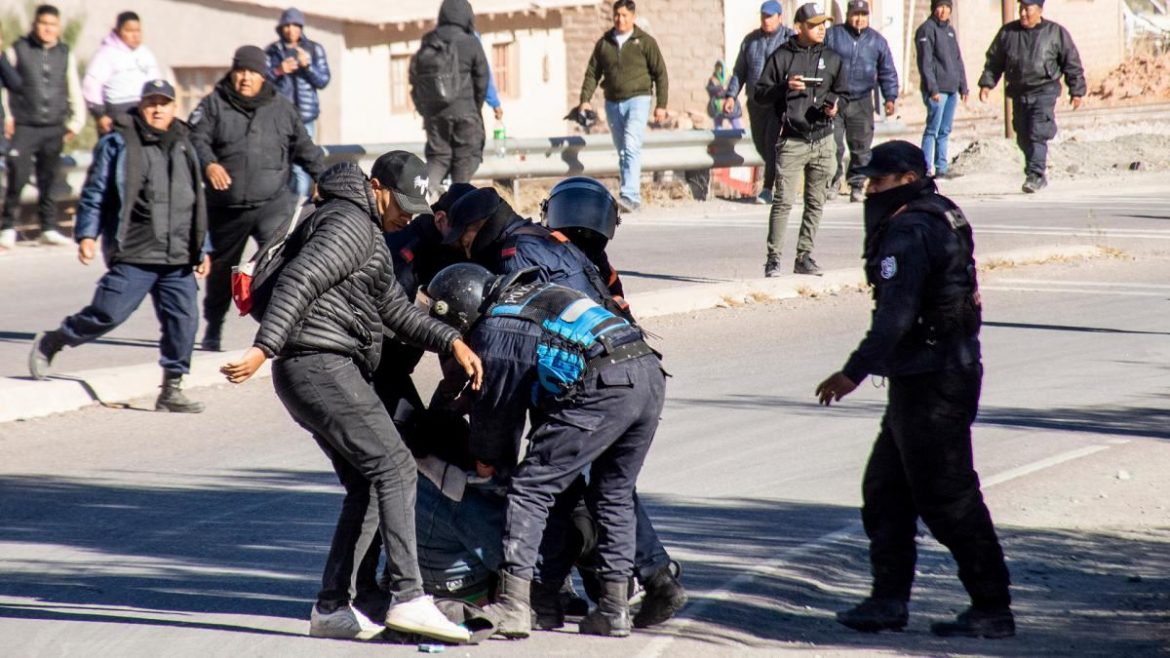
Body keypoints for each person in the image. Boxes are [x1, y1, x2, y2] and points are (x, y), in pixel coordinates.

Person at [220, 161, 483, 644]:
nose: (409, 216)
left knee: (368, 483)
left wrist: (451, 341)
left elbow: (396, 310)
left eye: (417, 208)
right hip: (319, 364)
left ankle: (332, 608)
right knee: (396, 466)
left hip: (316, 368)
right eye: (403, 204)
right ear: (376, 187)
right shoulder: (349, 223)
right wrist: (263, 348)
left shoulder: (367, 233)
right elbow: (299, 280)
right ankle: (409, 598)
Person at [815, 140, 1013, 639]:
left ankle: (991, 606)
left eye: (878, 181)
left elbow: (896, 315)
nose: (869, 191)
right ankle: (888, 601)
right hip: (926, 375)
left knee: (948, 498)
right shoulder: (939, 212)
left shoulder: (911, 229)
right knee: (886, 491)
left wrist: (853, 372)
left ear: (907, 180)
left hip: (936, 380)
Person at [426, 263, 667, 639]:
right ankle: (613, 610)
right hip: (646, 373)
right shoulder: (533, 294)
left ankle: (515, 606)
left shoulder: (496, 328)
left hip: (605, 383)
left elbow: (496, 420)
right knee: (613, 493)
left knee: (529, 488)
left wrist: (487, 460)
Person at [27, 80, 210, 413]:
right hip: (135, 251)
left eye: (164, 103)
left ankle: (171, 389)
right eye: (151, 103)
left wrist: (203, 246)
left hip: (179, 255)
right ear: (141, 106)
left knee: (184, 323)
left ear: (174, 108)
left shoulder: (186, 143)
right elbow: (95, 191)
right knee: (107, 314)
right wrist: (87, 234)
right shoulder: (119, 142)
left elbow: (195, 200)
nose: (157, 109)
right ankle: (54, 340)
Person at [190, 45, 325, 352]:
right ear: (232, 72)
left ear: (263, 76)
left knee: (282, 266)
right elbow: (195, 138)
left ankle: (285, 330)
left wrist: (321, 178)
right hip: (227, 208)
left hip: (272, 204)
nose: (245, 78)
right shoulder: (214, 104)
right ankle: (213, 328)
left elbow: (305, 147)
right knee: (221, 273)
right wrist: (209, 164)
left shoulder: (281, 107)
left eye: (252, 72)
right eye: (240, 71)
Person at [753, 3, 846, 278]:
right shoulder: (782, 56)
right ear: (799, 27)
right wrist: (784, 86)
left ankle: (804, 256)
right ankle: (773, 259)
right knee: (783, 201)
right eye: (814, 24)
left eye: (823, 24)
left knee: (816, 201)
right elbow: (760, 94)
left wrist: (836, 106)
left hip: (823, 139)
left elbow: (844, 93)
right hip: (792, 140)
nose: (821, 29)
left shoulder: (832, 58)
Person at [0, 4, 85, 250]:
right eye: (44, 24)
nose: (48, 29)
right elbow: (5, 87)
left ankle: (48, 228)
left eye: (53, 25)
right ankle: (8, 228)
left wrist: (77, 121)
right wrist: (8, 117)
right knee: (18, 175)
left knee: (48, 178)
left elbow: (73, 87)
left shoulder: (64, 53)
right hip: (24, 124)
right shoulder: (18, 49)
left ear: (59, 27)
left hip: (53, 125)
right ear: (35, 25)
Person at [978, 0, 1084, 193]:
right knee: (1023, 135)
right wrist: (987, 84)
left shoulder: (1055, 33)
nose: (1023, 13)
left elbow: (1071, 62)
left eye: (1027, 9)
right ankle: (1034, 172)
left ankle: (1035, 174)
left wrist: (1076, 90)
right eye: (1021, 9)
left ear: (1040, 10)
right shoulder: (1008, 33)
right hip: (1019, 92)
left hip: (1044, 90)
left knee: (1037, 131)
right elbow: (994, 61)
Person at [576, 0, 669, 213]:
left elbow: (660, 73)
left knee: (631, 144)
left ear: (633, 17)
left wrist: (661, 104)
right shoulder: (604, 43)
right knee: (623, 151)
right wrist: (585, 99)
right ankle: (627, 194)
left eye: (625, 15)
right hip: (612, 103)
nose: (620, 19)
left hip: (639, 99)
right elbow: (592, 73)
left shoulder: (645, 42)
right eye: (617, 15)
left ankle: (630, 195)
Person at [410, 0, 489, 198]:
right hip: (466, 113)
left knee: (438, 158)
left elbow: (415, 76)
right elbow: (482, 79)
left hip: (434, 114)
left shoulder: (429, 40)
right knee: (464, 161)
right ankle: (456, 205)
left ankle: (419, 201)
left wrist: (425, 110)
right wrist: (475, 108)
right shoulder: (470, 42)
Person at [825, 0, 899, 203]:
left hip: (862, 100)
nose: (859, 19)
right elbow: (819, 62)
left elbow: (887, 71)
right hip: (834, 99)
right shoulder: (833, 36)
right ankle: (832, 182)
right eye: (855, 14)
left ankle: (857, 185)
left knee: (861, 146)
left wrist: (890, 97)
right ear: (848, 15)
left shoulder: (877, 41)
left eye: (863, 15)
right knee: (832, 145)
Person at [724, 1, 794, 205]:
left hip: (777, 101)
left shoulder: (789, 39)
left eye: (770, 16)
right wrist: (731, 95)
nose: (766, 20)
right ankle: (781, 177)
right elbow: (739, 71)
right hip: (756, 102)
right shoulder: (751, 41)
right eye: (764, 16)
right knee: (761, 144)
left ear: (779, 17)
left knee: (772, 143)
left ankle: (767, 189)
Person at [265, 7, 330, 199]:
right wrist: (278, 71)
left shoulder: (314, 49)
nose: (291, 30)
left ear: (301, 27)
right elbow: (260, 82)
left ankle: (298, 205)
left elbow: (323, 80)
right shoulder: (272, 51)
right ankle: (288, 204)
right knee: (283, 165)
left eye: (295, 25)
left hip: (306, 118)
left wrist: (307, 66)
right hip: (279, 118)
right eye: (287, 25)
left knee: (302, 166)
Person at [82, 11, 162, 135]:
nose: (135, 35)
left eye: (138, 31)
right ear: (118, 31)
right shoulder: (106, 54)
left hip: (145, 112)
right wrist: (100, 115)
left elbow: (156, 83)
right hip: (117, 114)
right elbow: (90, 86)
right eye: (129, 31)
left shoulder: (146, 54)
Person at [915, 0, 968, 178]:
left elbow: (957, 60)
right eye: (940, 6)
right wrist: (933, 89)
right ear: (934, 8)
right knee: (932, 129)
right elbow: (925, 63)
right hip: (937, 91)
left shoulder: (950, 31)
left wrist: (963, 86)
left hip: (951, 89)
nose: (944, 11)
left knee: (945, 130)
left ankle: (942, 168)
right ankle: (925, 168)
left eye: (947, 7)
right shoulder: (926, 30)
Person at [706, 61, 742, 130]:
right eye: (718, 68)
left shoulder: (730, 78)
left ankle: (738, 134)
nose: (719, 70)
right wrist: (719, 89)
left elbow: (734, 88)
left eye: (721, 68)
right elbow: (710, 89)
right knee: (718, 123)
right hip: (718, 105)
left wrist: (727, 93)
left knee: (735, 121)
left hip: (730, 103)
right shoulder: (713, 79)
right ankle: (719, 135)